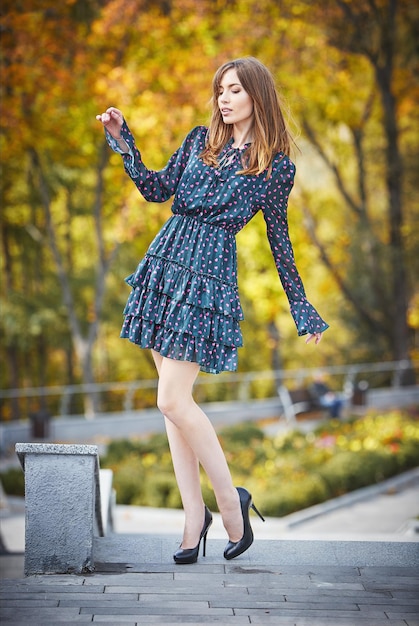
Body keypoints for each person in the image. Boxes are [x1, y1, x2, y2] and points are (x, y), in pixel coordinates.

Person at [96, 56, 328, 564]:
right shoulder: (200, 140)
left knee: (173, 400)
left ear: (257, 97)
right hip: (166, 266)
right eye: (220, 90)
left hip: (207, 282)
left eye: (235, 90)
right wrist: (124, 139)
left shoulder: (274, 168)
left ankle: (230, 505)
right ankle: (193, 517)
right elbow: (157, 189)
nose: (224, 99)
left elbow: (280, 243)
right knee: (171, 407)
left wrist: (302, 308)